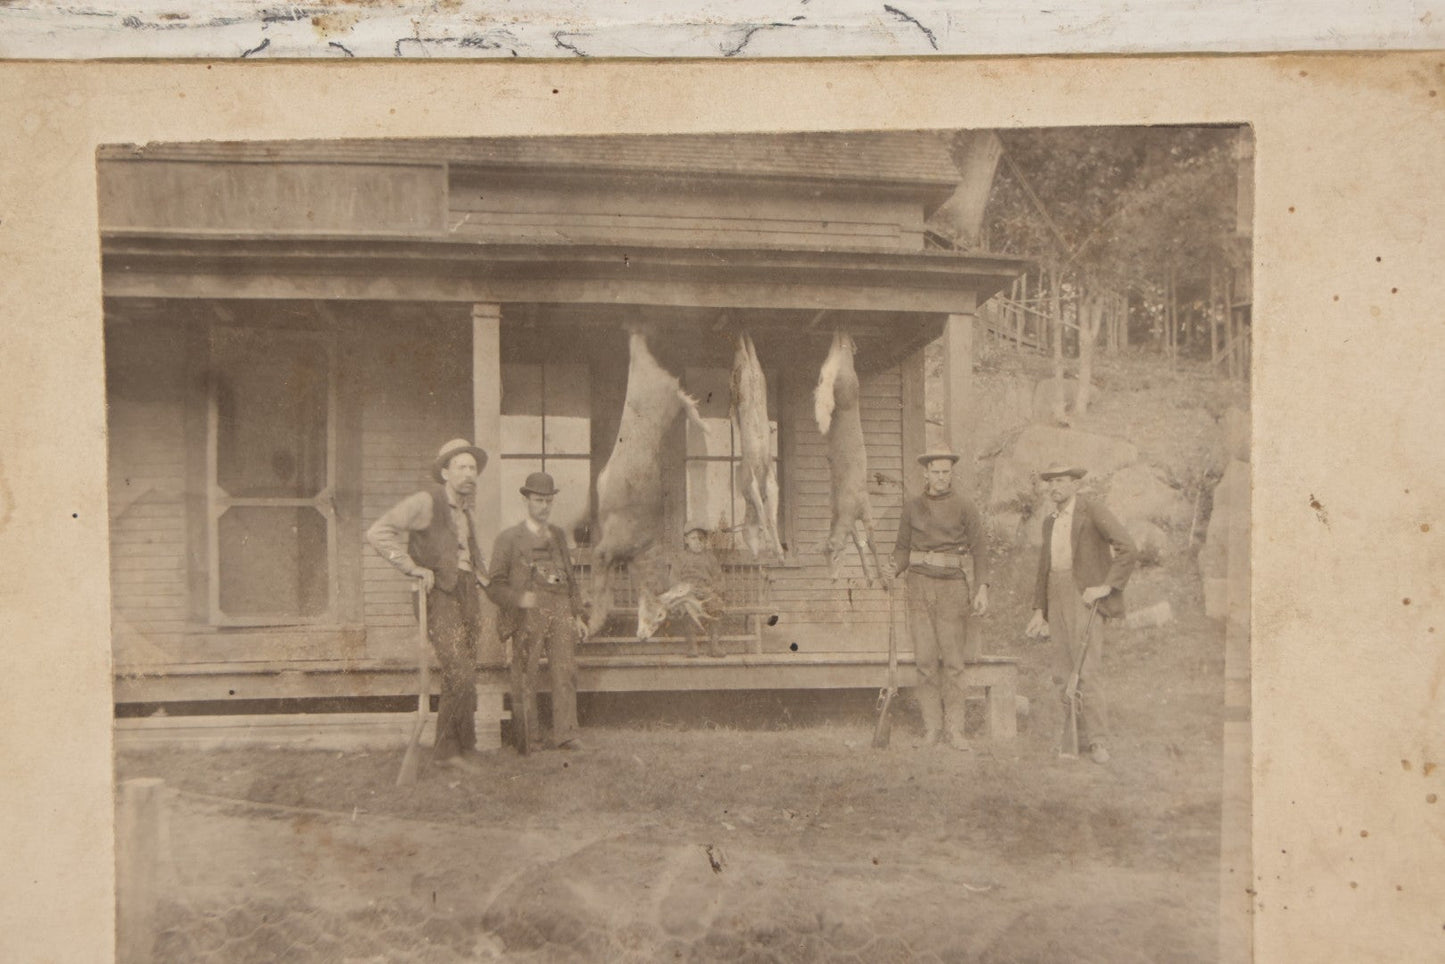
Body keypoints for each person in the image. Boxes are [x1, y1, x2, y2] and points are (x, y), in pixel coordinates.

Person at [366, 438, 490, 773]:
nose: (469, 473)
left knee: (463, 672)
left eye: (473, 468)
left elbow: (470, 558)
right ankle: (453, 750)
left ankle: (459, 748)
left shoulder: (466, 510)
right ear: (445, 472)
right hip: (437, 595)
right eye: (461, 467)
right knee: (458, 668)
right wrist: (413, 567)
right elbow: (378, 533)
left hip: (466, 593)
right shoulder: (425, 502)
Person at [1025, 463, 1138, 765]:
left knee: (1087, 670)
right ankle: (1073, 739)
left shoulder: (1092, 510)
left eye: (1060, 481)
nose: (1054, 487)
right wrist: (1039, 610)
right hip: (1055, 591)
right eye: (1050, 481)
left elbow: (1128, 547)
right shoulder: (1050, 521)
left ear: (1075, 483)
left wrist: (1105, 587)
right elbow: (1043, 567)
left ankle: (1098, 741)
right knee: (1062, 672)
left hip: (1084, 596)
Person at [889, 450, 991, 751]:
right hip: (919, 587)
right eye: (936, 472)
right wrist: (890, 569)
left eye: (947, 472)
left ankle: (955, 731)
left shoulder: (965, 507)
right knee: (925, 662)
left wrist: (982, 587)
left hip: (952, 590)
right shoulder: (912, 508)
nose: (942, 477)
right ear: (926, 473)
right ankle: (932, 729)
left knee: (953, 663)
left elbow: (981, 550)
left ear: (952, 473)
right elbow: (901, 550)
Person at [487, 471, 588, 752]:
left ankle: (566, 734)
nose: (544, 506)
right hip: (527, 612)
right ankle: (529, 737)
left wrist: (577, 614)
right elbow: (495, 586)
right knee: (525, 674)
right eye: (538, 500)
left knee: (565, 670)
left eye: (548, 501)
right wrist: (521, 599)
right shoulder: (508, 539)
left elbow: (567, 575)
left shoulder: (556, 535)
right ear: (526, 500)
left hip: (560, 609)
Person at [667, 522, 727, 658]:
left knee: (716, 605)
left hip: (706, 593)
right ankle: (692, 646)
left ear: (705, 541)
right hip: (688, 594)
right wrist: (687, 590)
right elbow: (673, 581)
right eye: (693, 538)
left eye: (701, 539)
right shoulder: (680, 558)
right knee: (688, 607)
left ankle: (714, 645)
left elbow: (720, 580)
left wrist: (711, 590)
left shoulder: (710, 558)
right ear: (686, 540)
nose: (698, 542)